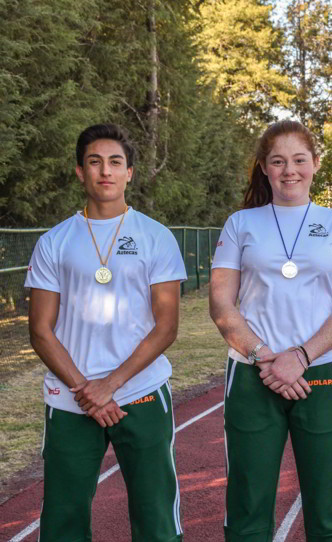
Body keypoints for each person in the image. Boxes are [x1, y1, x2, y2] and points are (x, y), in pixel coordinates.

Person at [25, 123, 187, 541]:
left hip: (140, 392)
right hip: (70, 398)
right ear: (80, 171)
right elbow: (41, 331)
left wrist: (110, 385)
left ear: (129, 172)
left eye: (116, 162)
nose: (105, 171)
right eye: (94, 162)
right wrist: (86, 390)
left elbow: (166, 326)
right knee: (63, 519)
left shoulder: (156, 237)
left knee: (156, 518)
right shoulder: (54, 242)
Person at [209, 120, 332, 542]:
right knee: (247, 504)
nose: (289, 170)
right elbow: (222, 304)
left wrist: (300, 356)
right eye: (278, 161)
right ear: (264, 167)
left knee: (329, 503)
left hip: (320, 373)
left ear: (315, 164)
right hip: (251, 374)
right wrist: (265, 357)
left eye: (299, 160)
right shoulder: (240, 223)